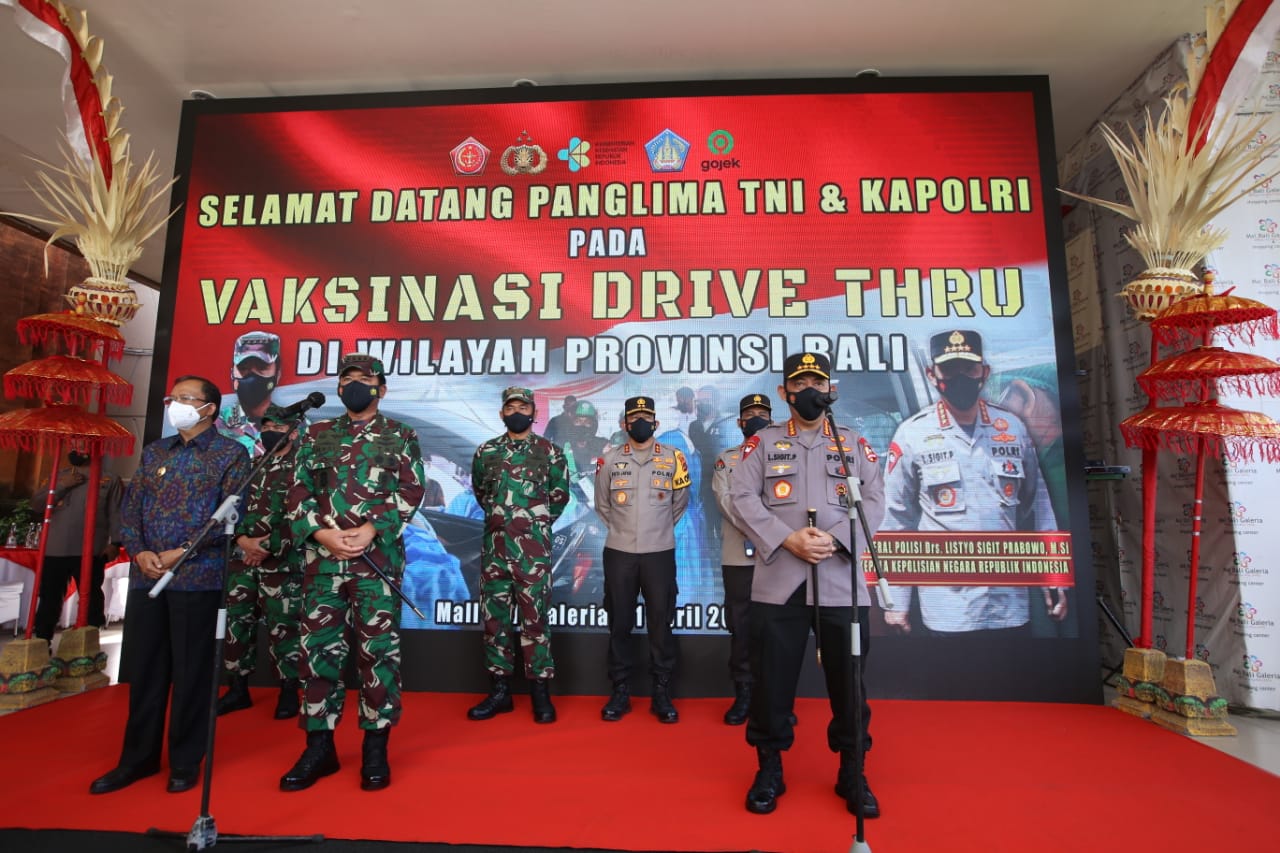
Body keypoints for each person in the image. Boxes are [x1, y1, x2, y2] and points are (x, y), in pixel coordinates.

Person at [728, 351, 885, 817]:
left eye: (818, 382)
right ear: (785, 393)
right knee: (771, 684)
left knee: (849, 685)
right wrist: (787, 538)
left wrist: (836, 541)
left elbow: (875, 498)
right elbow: (741, 497)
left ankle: (852, 772)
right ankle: (769, 769)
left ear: (829, 387)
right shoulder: (764, 443)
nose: (810, 391)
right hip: (780, 583)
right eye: (800, 384)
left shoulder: (853, 442)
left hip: (842, 583)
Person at [89, 375, 251, 795]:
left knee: (192, 674)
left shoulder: (231, 454)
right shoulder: (155, 451)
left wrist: (182, 552)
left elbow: (231, 515)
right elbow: (132, 510)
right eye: (172, 397)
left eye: (186, 398)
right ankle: (137, 759)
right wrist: (140, 551)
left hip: (197, 578)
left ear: (209, 408)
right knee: (146, 673)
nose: (175, 404)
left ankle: (184, 761)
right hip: (147, 577)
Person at [280, 353, 426, 792]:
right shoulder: (316, 434)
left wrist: (372, 528)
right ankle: (318, 747)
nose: (355, 385)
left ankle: (375, 748)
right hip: (323, 564)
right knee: (317, 653)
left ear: (381, 388)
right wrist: (318, 534)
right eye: (348, 379)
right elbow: (297, 489)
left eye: (365, 379)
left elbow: (411, 490)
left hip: (375, 564)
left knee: (377, 656)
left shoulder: (401, 435)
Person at [880, 330, 1065, 636]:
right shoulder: (912, 434)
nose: (960, 377)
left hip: (1009, 603)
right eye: (949, 370)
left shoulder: (1013, 428)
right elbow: (896, 521)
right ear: (931, 374)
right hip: (947, 607)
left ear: (984, 372)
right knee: (951, 682)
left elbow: (1039, 507)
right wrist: (896, 600)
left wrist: (1053, 575)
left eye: (969, 368)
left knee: (1009, 682)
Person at [466, 387, 571, 723]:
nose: (516, 411)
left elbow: (559, 496)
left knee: (535, 621)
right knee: (495, 623)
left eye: (522, 406)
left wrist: (531, 525)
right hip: (495, 552)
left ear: (533, 412)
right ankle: (500, 692)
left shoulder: (550, 453)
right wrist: (505, 520)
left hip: (533, 555)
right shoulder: (487, 451)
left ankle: (540, 692)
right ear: (502, 413)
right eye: (510, 406)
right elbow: (482, 492)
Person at [594, 395, 691, 723]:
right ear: (624, 424)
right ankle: (620, 689)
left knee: (661, 623)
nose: (640, 422)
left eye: (646, 417)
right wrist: (624, 530)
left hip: (659, 553)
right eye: (633, 418)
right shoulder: (608, 460)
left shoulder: (674, 458)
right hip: (619, 552)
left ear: (655, 423)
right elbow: (602, 506)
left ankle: (661, 691)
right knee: (619, 622)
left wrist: (656, 529)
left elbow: (679, 503)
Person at [217, 404, 306, 720]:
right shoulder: (250, 467)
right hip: (243, 563)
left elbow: (305, 516)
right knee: (236, 626)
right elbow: (230, 509)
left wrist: (267, 545)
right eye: (266, 427)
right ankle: (237, 689)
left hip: (283, 564)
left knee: (285, 630)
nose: (270, 433)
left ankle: (288, 692)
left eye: (278, 429)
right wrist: (242, 540)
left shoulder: (303, 468)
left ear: (293, 433)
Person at [710, 393, 772, 725]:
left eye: (763, 413)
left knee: (777, 629)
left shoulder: (785, 455)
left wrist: (773, 535)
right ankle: (744, 693)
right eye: (751, 414)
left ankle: (774, 697)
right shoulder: (727, 459)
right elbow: (725, 500)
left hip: (781, 556)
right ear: (740, 422)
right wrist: (764, 530)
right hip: (740, 556)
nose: (757, 418)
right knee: (742, 626)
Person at [34, 450, 123, 644]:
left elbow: (116, 513)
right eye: (74, 442)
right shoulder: (57, 476)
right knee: (49, 598)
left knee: (91, 598)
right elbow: (37, 504)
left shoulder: (109, 479)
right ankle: (42, 642)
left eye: (83, 443)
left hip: (91, 550)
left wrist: (116, 543)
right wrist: (61, 486)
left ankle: (88, 643)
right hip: (55, 549)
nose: (77, 448)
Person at [216, 330, 282, 456]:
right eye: (243, 368)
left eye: (261, 368)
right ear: (232, 374)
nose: (251, 376)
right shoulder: (216, 425)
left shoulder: (293, 423)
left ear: (278, 373)